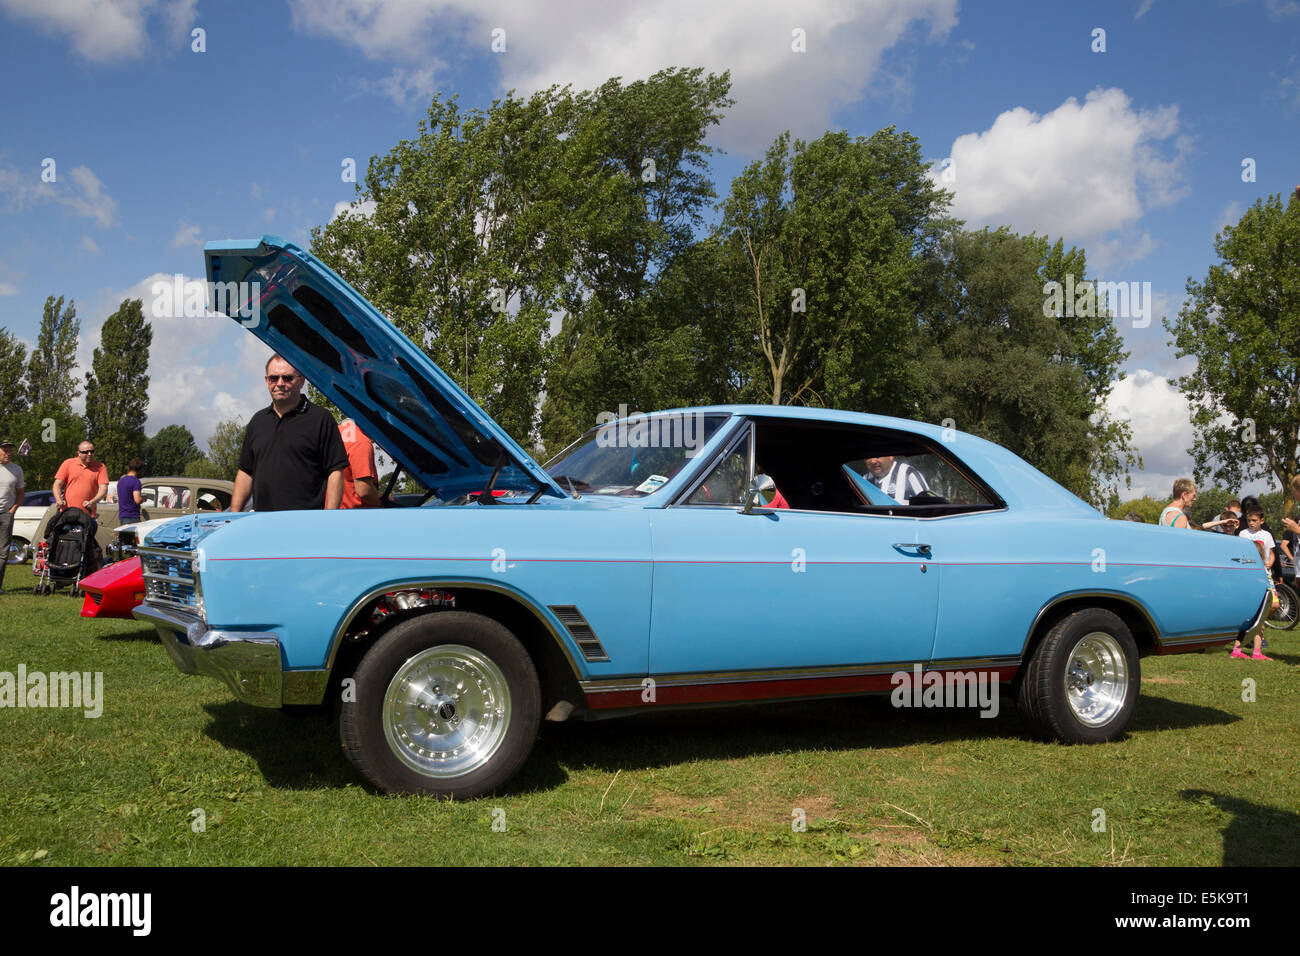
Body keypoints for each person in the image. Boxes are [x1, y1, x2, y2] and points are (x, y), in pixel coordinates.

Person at [230, 355, 348, 512]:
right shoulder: (257, 421)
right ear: (266, 381)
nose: (280, 384)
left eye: (287, 378)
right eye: (273, 378)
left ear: (301, 381)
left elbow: (335, 471)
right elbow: (245, 473)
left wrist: (328, 517)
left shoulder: (320, 419)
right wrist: (233, 515)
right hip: (262, 523)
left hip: (305, 524)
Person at [1231, 512, 1275, 661]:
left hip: (1255, 595)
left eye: (1254, 520)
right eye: (1249, 520)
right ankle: (1251, 651)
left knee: (1255, 623)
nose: (1251, 523)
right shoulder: (1257, 570)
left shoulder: (1259, 567)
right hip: (1257, 596)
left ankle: (1246, 650)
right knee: (1256, 622)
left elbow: (1272, 553)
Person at [53, 441, 109, 518]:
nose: (89, 454)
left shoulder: (100, 467)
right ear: (79, 453)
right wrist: (58, 499)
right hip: (67, 513)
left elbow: (104, 489)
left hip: (88, 514)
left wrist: (92, 502)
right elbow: (57, 484)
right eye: (86, 452)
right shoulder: (68, 463)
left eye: (92, 451)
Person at [339, 419, 381, 509]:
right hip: (358, 514)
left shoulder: (336, 433)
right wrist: (381, 502)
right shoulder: (361, 441)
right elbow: (364, 491)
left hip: (333, 511)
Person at [0, 439, 24, 594]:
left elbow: (21, 493)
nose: (8, 453)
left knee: (3, 551)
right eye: (5, 450)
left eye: (10, 451)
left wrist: (13, 509)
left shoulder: (17, 470)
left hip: (6, 514)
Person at [864, 455, 929, 504]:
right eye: (868, 457)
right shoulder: (864, 480)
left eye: (877, 456)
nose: (873, 461)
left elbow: (928, 507)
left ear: (890, 456)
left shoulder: (908, 473)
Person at [117, 458, 144, 524]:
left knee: (125, 534)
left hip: (122, 515)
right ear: (139, 470)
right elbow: (137, 500)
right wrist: (143, 499)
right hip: (132, 516)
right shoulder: (136, 481)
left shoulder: (120, 481)